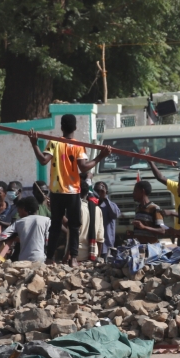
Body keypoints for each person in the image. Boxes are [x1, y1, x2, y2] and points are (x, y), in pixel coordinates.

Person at [28, 114, 109, 266]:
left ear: (61, 127)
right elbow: (84, 167)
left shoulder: (54, 142)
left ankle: (50, 258)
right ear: (75, 128)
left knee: (56, 225)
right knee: (74, 225)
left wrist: (34, 144)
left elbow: (43, 160)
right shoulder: (78, 145)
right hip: (72, 192)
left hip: (57, 191)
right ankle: (73, 257)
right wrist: (100, 157)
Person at [1, 196, 51, 264]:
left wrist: (19, 237)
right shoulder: (46, 220)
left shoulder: (19, 222)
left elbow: (2, 236)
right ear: (38, 208)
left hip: (23, 260)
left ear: (24, 209)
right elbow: (48, 241)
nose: (18, 214)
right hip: (40, 259)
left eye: (19, 211)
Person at [70, 179, 104, 261]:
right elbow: (100, 238)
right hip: (93, 255)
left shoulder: (76, 208)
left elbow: (70, 236)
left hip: (76, 256)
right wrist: (97, 257)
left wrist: (67, 256)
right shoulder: (97, 209)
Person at [94, 181, 120, 252]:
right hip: (94, 245)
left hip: (106, 245)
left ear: (106, 192)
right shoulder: (92, 206)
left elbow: (115, 215)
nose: (99, 194)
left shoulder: (111, 205)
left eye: (101, 191)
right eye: (97, 191)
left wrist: (105, 199)